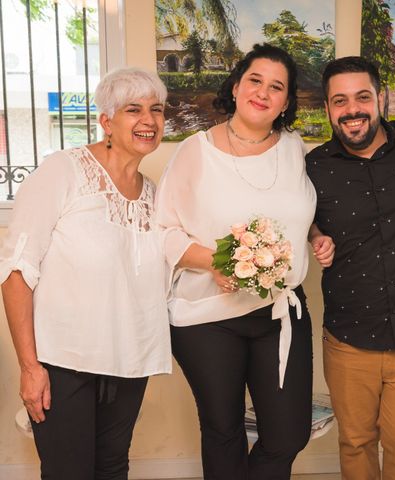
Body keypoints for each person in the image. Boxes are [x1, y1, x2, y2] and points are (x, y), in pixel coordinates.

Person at [154, 43, 334, 480]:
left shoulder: (294, 149)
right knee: (223, 431)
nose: (263, 93)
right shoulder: (194, 151)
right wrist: (211, 262)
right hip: (206, 318)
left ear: (286, 102)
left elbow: (298, 210)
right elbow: (164, 229)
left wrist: (315, 235)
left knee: (288, 434)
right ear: (235, 87)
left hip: (280, 313)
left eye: (277, 87)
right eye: (255, 80)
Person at [0, 67, 172, 479]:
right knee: (68, 471)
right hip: (64, 361)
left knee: (113, 467)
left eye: (157, 110)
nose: (148, 121)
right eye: (134, 110)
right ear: (107, 121)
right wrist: (30, 367)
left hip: (128, 362)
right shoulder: (63, 171)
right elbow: (16, 271)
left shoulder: (154, 193)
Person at [306, 56, 395, 480]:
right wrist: (314, 234)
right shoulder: (314, 167)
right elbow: (291, 212)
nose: (353, 110)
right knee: (356, 442)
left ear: (380, 97)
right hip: (348, 340)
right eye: (340, 101)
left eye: (363, 96)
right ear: (328, 109)